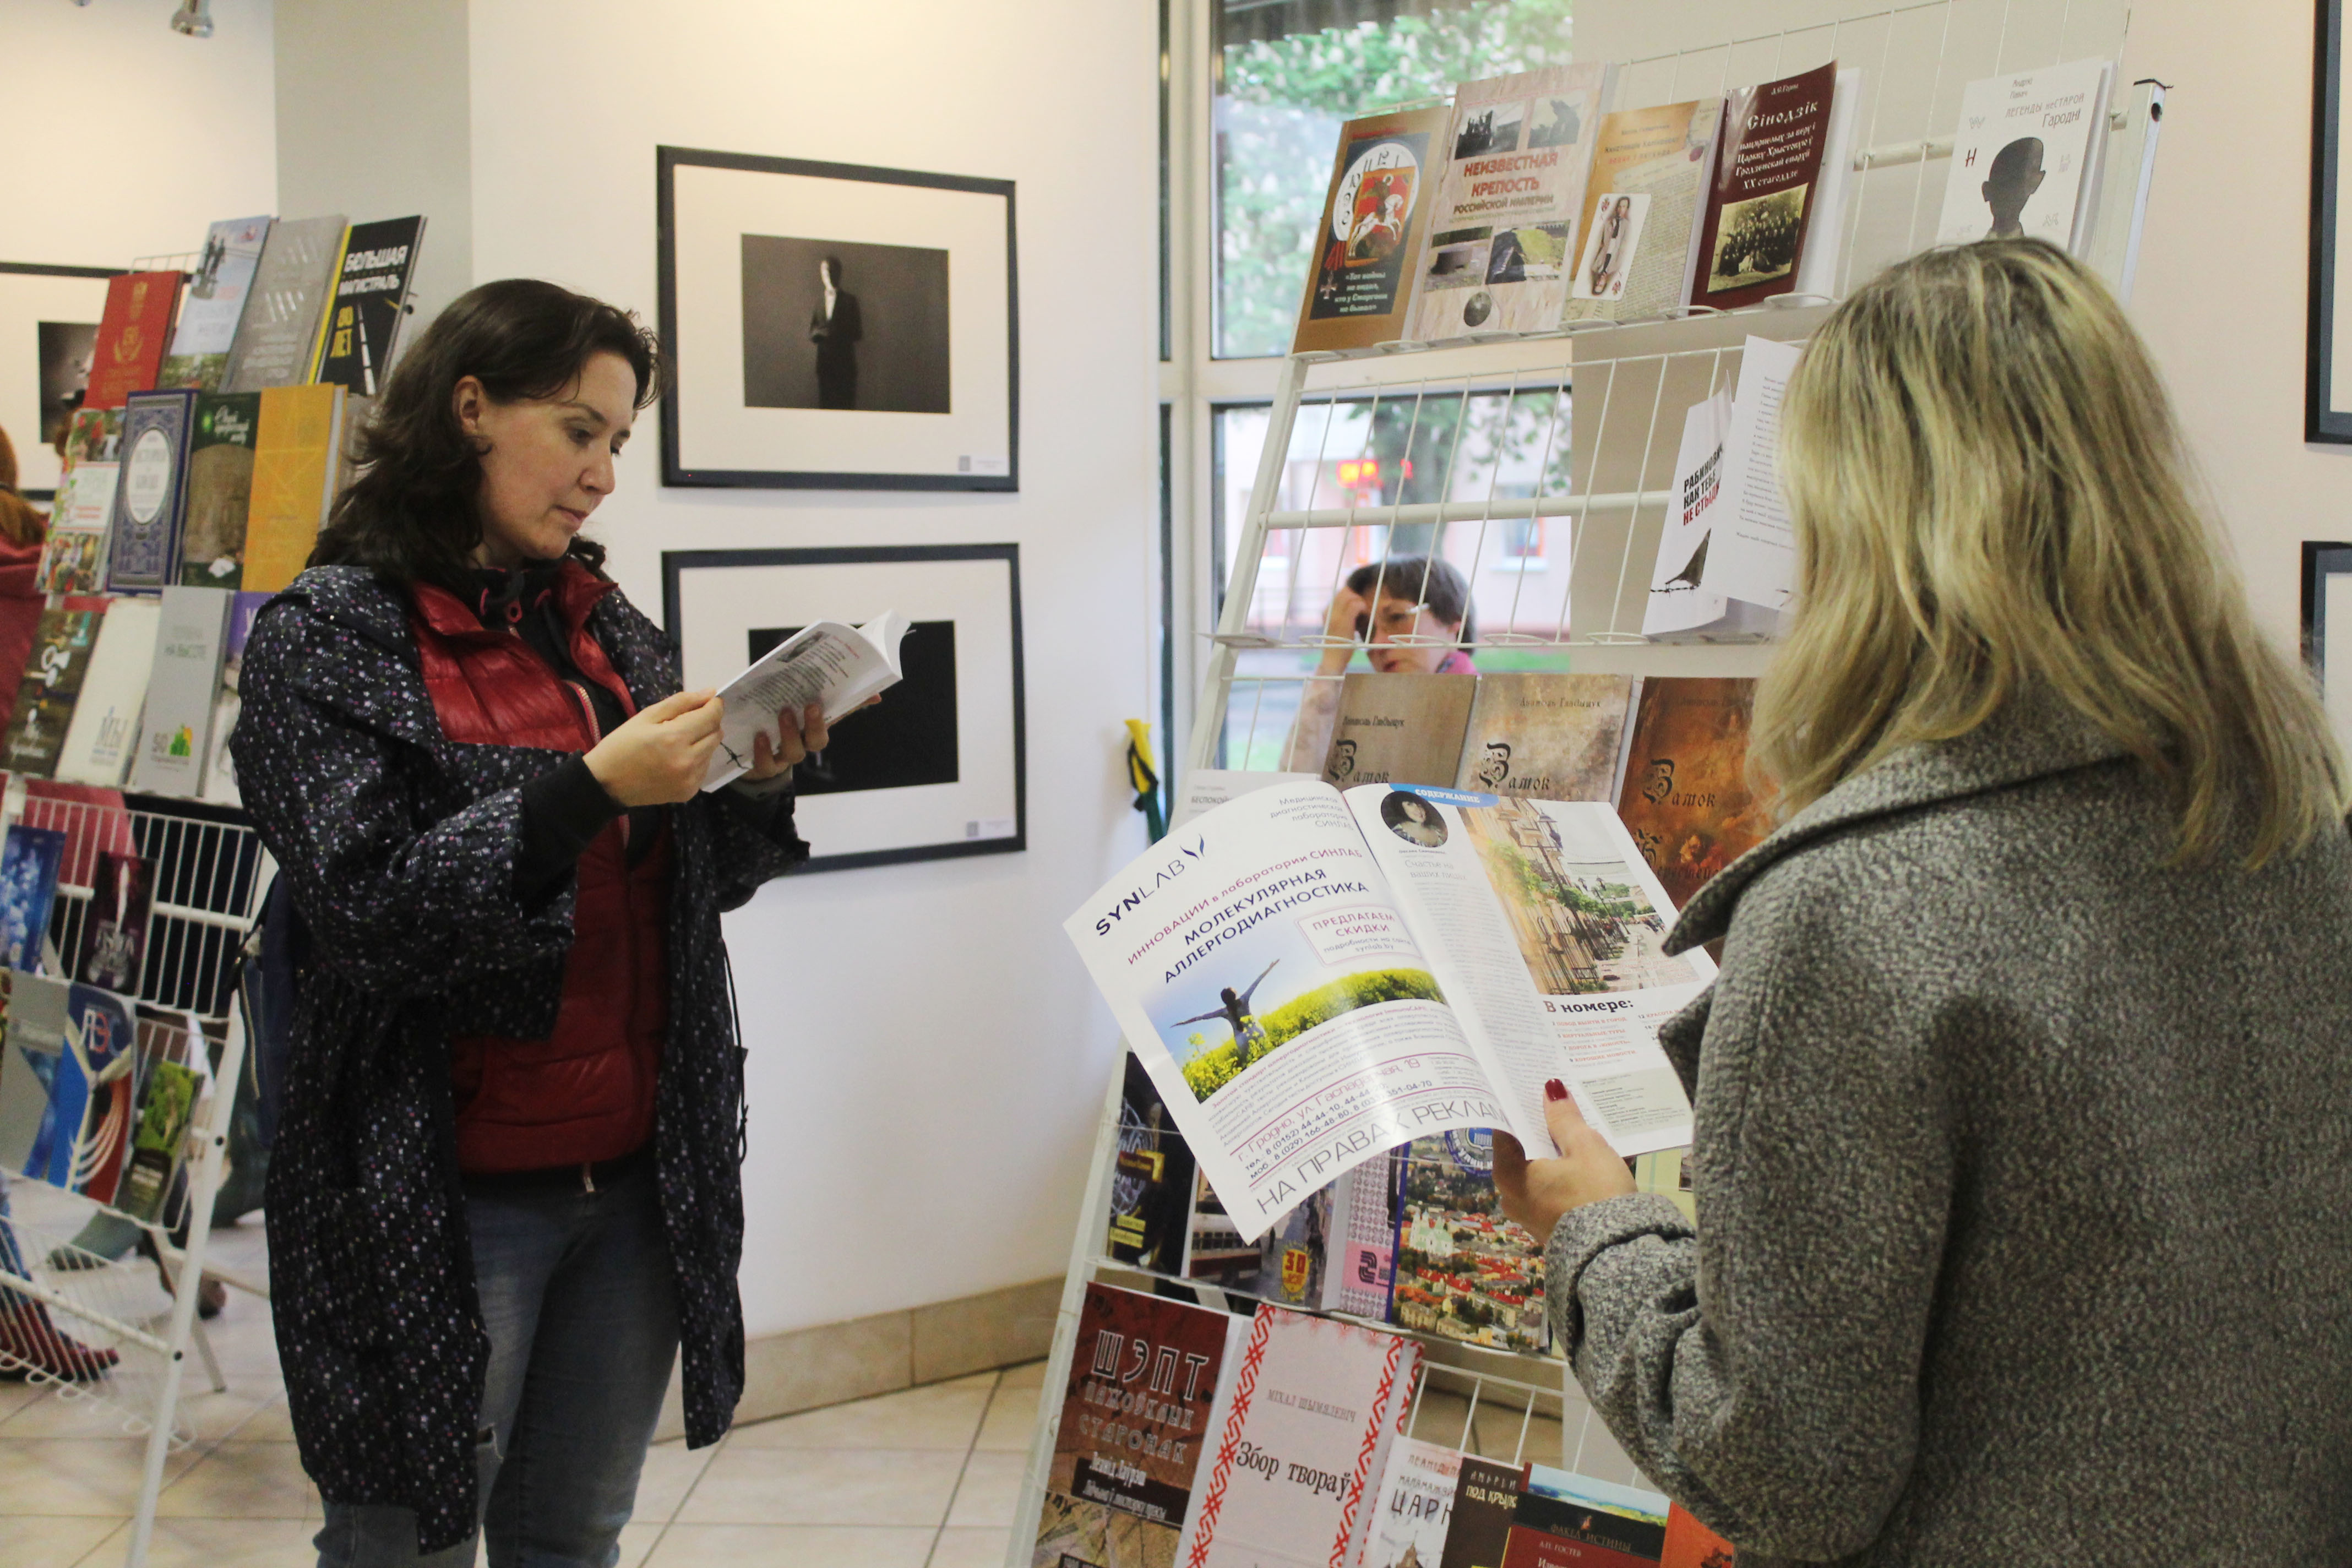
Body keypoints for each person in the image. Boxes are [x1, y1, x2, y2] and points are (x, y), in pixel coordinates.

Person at [1490, 241, 2352, 1564]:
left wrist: (1597, 1227)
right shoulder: (2293, 821)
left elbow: (1783, 1467)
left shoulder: (1846, 906)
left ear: (1862, 526)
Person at [231, 279, 834, 1566]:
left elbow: (690, 886)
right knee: (404, 1541)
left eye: (618, 440)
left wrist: (757, 772)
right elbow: (369, 912)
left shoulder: (605, 627)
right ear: (468, 409)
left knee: (572, 1534)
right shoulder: (321, 642)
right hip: (434, 1196)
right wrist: (581, 789)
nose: (604, 473)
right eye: (578, 429)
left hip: (629, 1185)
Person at [1282, 555, 1476, 772]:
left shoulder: (1494, 714)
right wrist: (1332, 663)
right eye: (1366, 632)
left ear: (1453, 622)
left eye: (1396, 617)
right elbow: (1293, 784)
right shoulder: (1366, 717)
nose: (1377, 643)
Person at [809, 254, 861, 410]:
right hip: (825, 368)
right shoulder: (819, 303)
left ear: (839, 273)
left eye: (832, 272)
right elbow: (812, 332)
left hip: (845, 368)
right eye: (825, 273)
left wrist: (835, 332)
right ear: (821, 275)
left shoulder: (850, 301)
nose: (829, 277)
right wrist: (818, 333)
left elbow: (858, 333)